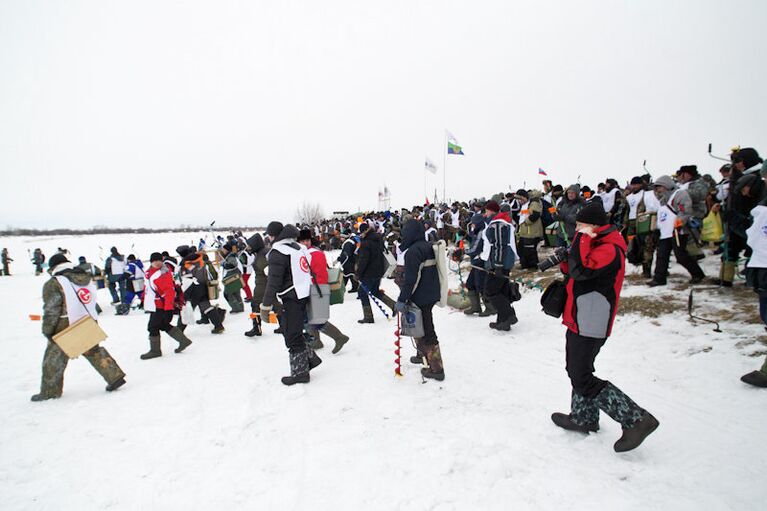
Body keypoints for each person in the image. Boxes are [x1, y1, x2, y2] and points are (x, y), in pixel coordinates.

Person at [551, 201, 659, 453]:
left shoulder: (610, 247)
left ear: (594, 226)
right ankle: (583, 417)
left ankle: (636, 419)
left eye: (580, 225)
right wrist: (565, 257)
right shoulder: (596, 242)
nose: (577, 230)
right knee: (577, 368)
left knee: (581, 374)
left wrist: (581, 242)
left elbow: (584, 270)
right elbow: (574, 270)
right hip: (580, 314)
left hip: (592, 317)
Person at [32, 254, 126, 401]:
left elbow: (52, 309)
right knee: (93, 350)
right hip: (86, 319)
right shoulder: (85, 278)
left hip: (64, 323)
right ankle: (114, 376)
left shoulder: (54, 283)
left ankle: (50, 391)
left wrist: (48, 330)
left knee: (54, 358)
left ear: (53, 267)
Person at [259, 222, 321, 385]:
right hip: (303, 294)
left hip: (290, 298)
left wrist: (265, 305)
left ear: (273, 236)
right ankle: (311, 359)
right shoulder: (297, 247)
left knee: (291, 335)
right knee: (293, 331)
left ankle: (300, 373)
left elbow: (273, 282)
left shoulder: (277, 252)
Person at [396, 219, 445, 380]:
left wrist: (403, 298)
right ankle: (423, 354)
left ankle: (436, 368)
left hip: (420, 296)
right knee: (420, 326)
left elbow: (411, 279)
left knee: (427, 330)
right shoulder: (428, 246)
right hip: (430, 293)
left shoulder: (413, 252)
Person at [717, 148, 765, 287]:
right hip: (735, 219)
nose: (736, 164)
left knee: (753, 249)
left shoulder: (760, 176)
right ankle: (725, 279)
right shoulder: (738, 175)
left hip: (751, 220)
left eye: (738, 161)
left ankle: (753, 279)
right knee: (730, 247)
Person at [298, 229, 350, 354]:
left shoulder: (307, 254)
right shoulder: (316, 251)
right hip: (320, 287)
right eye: (302, 241)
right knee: (312, 318)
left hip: (315, 287)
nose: (305, 243)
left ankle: (339, 337)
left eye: (307, 240)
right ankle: (316, 341)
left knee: (317, 320)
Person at [647, 175, 705, 286]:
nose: (658, 190)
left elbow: (685, 210)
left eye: (660, 187)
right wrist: (657, 228)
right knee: (662, 255)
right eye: (657, 188)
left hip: (677, 231)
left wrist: (680, 222)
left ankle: (697, 274)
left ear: (667, 185)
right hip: (665, 232)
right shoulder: (663, 199)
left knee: (681, 256)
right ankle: (659, 278)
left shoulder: (680, 194)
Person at [140, 252, 192, 360]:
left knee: (152, 327)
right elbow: (147, 288)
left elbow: (169, 292)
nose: (157, 263)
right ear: (151, 262)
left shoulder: (163, 273)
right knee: (163, 325)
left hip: (161, 305)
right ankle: (183, 340)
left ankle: (155, 351)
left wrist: (168, 308)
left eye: (159, 260)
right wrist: (143, 299)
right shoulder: (149, 273)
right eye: (155, 261)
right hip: (154, 304)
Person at [480, 203, 519, 331]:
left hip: (498, 263)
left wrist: (498, 265)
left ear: (492, 211)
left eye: (486, 211)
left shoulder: (497, 224)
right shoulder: (503, 223)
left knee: (491, 291)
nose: (485, 214)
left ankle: (509, 315)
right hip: (504, 262)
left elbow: (499, 245)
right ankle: (502, 321)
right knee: (501, 290)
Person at [178, 245, 226, 334]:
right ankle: (219, 326)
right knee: (206, 307)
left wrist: (185, 292)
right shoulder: (200, 260)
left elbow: (185, 279)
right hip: (203, 286)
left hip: (192, 289)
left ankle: (179, 330)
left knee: (187, 309)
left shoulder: (186, 264)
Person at [355, 223, 397, 323]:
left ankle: (368, 317)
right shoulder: (378, 239)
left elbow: (363, 260)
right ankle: (394, 305)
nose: (360, 235)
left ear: (364, 231)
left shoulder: (366, 243)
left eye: (361, 233)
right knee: (375, 291)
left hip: (368, 273)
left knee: (362, 293)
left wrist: (358, 273)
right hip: (379, 271)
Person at [244, 232, 269, 337]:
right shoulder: (262, 253)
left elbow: (267, 271)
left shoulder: (261, 256)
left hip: (262, 284)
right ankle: (282, 326)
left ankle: (256, 328)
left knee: (255, 305)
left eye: (249, 245)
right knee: (276, 306)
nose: (248, 247)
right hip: (264, 284)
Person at [515, 189, 543, 269]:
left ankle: (533, 268)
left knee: (530, 252)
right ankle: (525, 266)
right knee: (522, 251)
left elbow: (535, 215)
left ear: (524, 197)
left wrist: (526, 222)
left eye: (520, 199)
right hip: (524, 232)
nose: (519, 201)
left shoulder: (534, 203)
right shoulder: (525, 205)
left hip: (531, 233)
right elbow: (526, 213)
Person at [220, 242, 245, 313]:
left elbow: (232, 265)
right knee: (236, 292)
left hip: (232, 276)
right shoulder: (230, 255)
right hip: (235, 275)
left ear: (227, 250)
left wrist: (224, 264)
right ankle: (240, 307)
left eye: (223, 249)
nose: (222, 250)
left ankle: (236, 308)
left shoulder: (231, 256)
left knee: (228, 293)